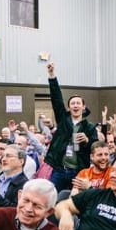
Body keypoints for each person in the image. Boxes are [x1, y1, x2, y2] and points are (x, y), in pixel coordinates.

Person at [44, 63, 97, 192]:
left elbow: (96, 147)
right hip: (60, 169)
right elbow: (56, 98)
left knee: (76, 200)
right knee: (52, 198)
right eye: (72, 103)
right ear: (69, 108)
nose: (75, 105)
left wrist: (87, 141)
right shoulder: (63, 120)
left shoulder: (89, 127)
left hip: (79, 171)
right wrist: (52, 75)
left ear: (83, 107)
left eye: (78, 103)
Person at [0, 144, 29, 208]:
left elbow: (14, 210)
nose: (3, 159)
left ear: (21, 161)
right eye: (3, 156)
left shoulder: (25, 185)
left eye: (8, 156)